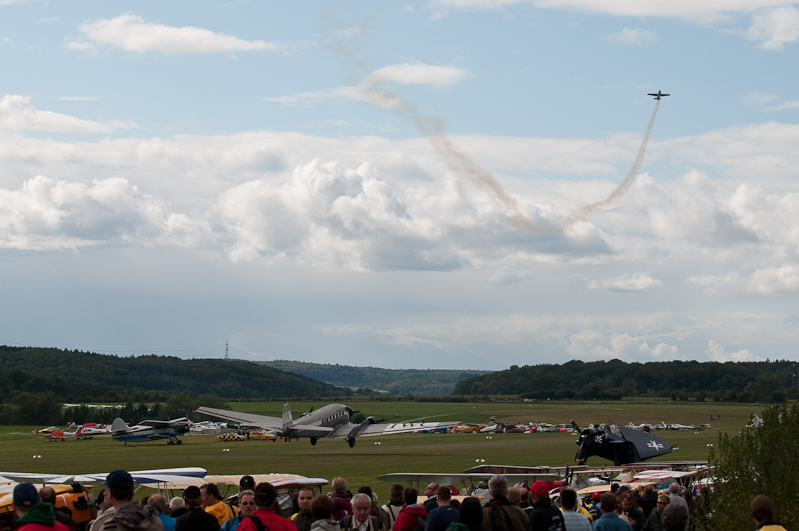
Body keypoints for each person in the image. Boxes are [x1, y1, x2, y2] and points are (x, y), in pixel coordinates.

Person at [97, 470, 163, 531]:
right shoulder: (153, 518)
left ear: (110, 493)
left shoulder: (111, 526)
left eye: (107, 490)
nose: (104, 493)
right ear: (132, 489)